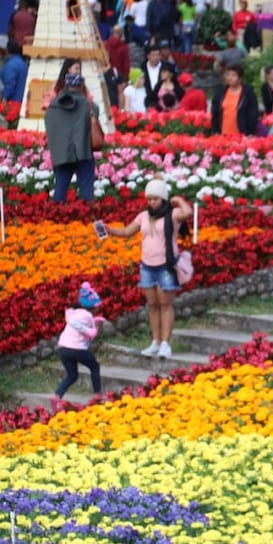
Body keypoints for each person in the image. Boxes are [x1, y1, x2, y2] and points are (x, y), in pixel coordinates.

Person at [100, 179, 193, 357]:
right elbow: (127, 232)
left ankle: (166, 343)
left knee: (165, 305)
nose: (151, 202)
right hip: (147, 266)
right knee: (152, 306)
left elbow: (188, 213)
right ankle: (155, 342)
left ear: (163, 198)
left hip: (166, 266)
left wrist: (179, 200)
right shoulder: (143, 216)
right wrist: (109, 229)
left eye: (155, 199)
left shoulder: (172, 215)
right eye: (149, 199)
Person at [45, 73, 99, 203]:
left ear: (66, 85)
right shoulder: (90, 106)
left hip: (62, 154)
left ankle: (56, 218)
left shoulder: (53, 107)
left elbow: (50, 127)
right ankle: (85, 217)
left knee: (60, 189)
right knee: (86, 192)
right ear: (81, 86)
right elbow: (94, 120)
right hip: (84, 152)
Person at [53, 282, 107, 409]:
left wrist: (93, 323)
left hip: (63, 348)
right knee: (94, 366)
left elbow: (77, 324)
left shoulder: (75, 312)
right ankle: (98, 395)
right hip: (76, 348)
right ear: (92, 306)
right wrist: (96, 326)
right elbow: (90, 334)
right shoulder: (87, 315)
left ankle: (56, 396)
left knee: (72, 375)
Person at [210, 64, 259, 136]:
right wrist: (216, 130)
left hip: (242, 135)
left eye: (233, 75)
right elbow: (215, 113)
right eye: (228, 75)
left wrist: (250, 133)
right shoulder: (220, 93)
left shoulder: (248, 94)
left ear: (240, 78)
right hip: (223, 134)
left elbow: (253, 114)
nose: (230, 78)